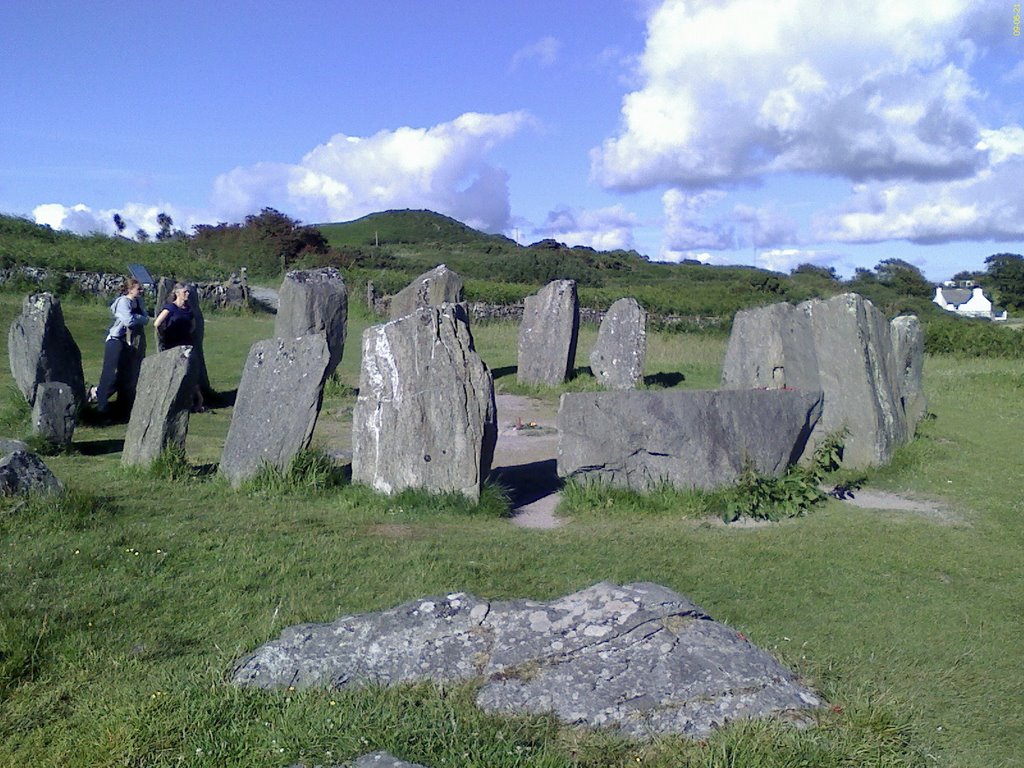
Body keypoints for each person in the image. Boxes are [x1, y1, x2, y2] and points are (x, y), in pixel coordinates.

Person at [94, 277, 148, 418]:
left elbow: (147, 319)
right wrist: (138, 317)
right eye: (138, 289)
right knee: (110, 372)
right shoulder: (123, 302)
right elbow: (128, 320)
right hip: (115, 340)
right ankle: (101, 406)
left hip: (129, 342)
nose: (140, 291)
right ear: (130, 290)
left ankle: (120, 406)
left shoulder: (138, 301)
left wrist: (136, 317)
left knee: (125, 374)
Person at [154, 282, 205, 412]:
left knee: (189, 371)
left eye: (187, 292)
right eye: (184, 292)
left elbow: (193, 326)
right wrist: (164, 334)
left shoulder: (188, 310)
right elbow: (157, 323)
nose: (187, 294)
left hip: (186, 343)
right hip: (172, 343)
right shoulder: (170, 308)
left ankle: (198, 401)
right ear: (177, 293)